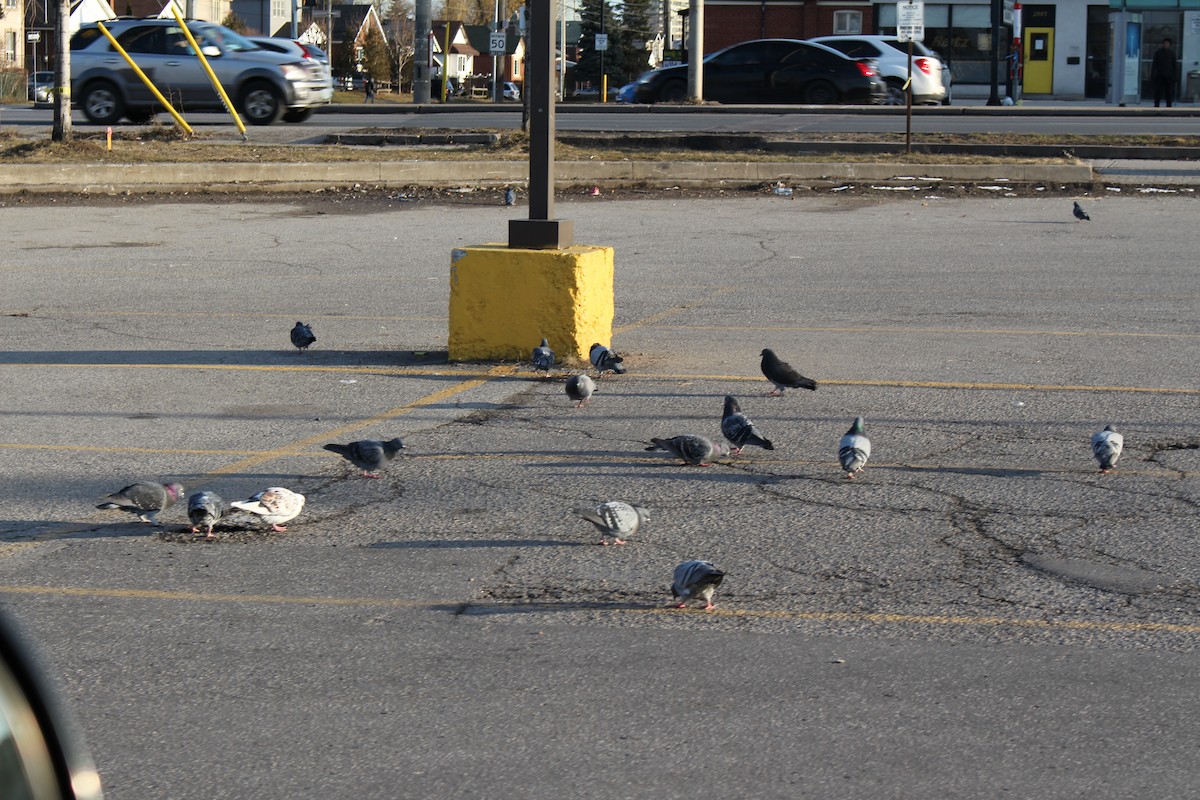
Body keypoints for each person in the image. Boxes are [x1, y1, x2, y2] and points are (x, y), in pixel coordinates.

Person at [1150, 38, 1177, 108]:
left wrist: (1175, 76)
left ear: (1169, 45)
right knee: (1158, 91)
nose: (1166, 45)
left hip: (1169, 76)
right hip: (1160, 75)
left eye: (1167, 43)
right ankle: (1156, 104)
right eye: (1165, 43)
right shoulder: (1158, 53)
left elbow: (1175, 65)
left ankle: (1169, 105)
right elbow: (1154, 64)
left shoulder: (1172, 54)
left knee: (1169, 91)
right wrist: (1153, 75)